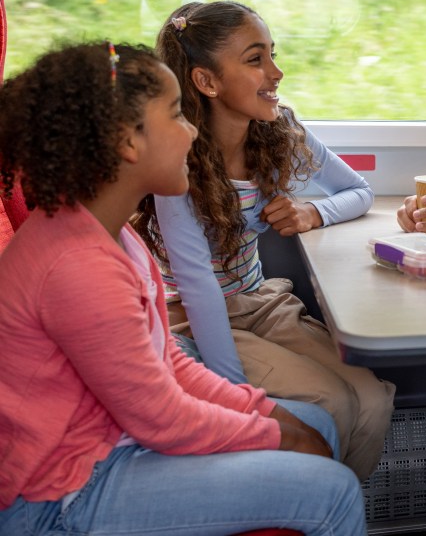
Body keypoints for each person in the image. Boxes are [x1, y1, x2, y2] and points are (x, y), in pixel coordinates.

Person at [0, 42, 365, 535]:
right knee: (333, 492)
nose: (192, 130)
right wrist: (278, 436)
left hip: (107, 442)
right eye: (176, 116)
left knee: (317, 424)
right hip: (61, 492)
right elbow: (161, 418)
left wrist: (265, 412)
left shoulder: (115, 236)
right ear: (128, 143)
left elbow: (168, 360)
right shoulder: (76, 266)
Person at [133, 1, 395, 481]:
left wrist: (314, 212)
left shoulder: (278, 130)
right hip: (196, 317)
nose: (276, 72)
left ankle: (336, 508)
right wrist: (233, 398)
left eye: (272, 54)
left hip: (261, 300)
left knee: (374, 399)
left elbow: (359, 192)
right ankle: (311, 505)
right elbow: (199, 288)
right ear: (207, 82)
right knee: (332, 400)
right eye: (255, 60)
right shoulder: (178, 163)